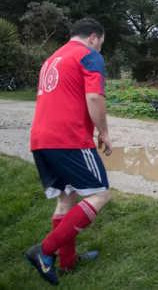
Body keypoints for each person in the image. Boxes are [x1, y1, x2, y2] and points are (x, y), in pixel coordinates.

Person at [25, 18, 112, 285]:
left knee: (66, 198)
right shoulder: (88, 55)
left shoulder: (52, 59)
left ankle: (68, 262)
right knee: (100, 194)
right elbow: (94, 97)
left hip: (41, 139)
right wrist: (104, 132)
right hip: (69, 138)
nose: (100, 48)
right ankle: (45, 251)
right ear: (94, 37)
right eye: (101, 43)